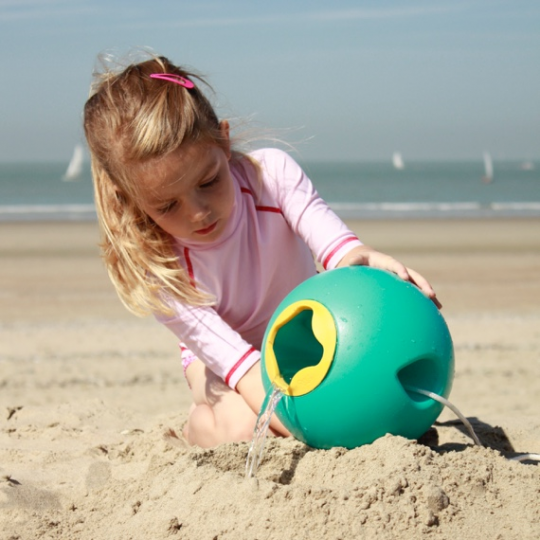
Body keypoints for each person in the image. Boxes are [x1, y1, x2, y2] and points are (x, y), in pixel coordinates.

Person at [83, 54, 441, 448]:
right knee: (243, 428)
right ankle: (198, 426)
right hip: (221, 363)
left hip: (306, 333)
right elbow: (243, 367)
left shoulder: (272, 176)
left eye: (209, 181)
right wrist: (319, 431)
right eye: (167, 206)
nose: (198, 211)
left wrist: (366, 261)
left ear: (224, 140)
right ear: (130, 199)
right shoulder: (158, 269)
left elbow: (339, 251)